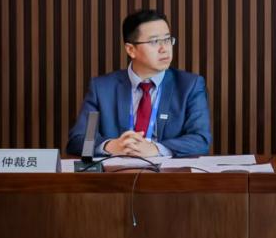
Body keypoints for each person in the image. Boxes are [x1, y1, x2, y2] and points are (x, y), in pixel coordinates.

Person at [66, 9, 212, 158]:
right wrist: (111, 146)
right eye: (154, 42)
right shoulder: (102, 88)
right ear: (131, 49)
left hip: (166, 171)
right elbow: (78, 140)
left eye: (167, 40)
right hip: (116, 171)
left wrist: (155, 149)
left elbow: (200, 140)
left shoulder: (189, 86)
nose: (164, 49)